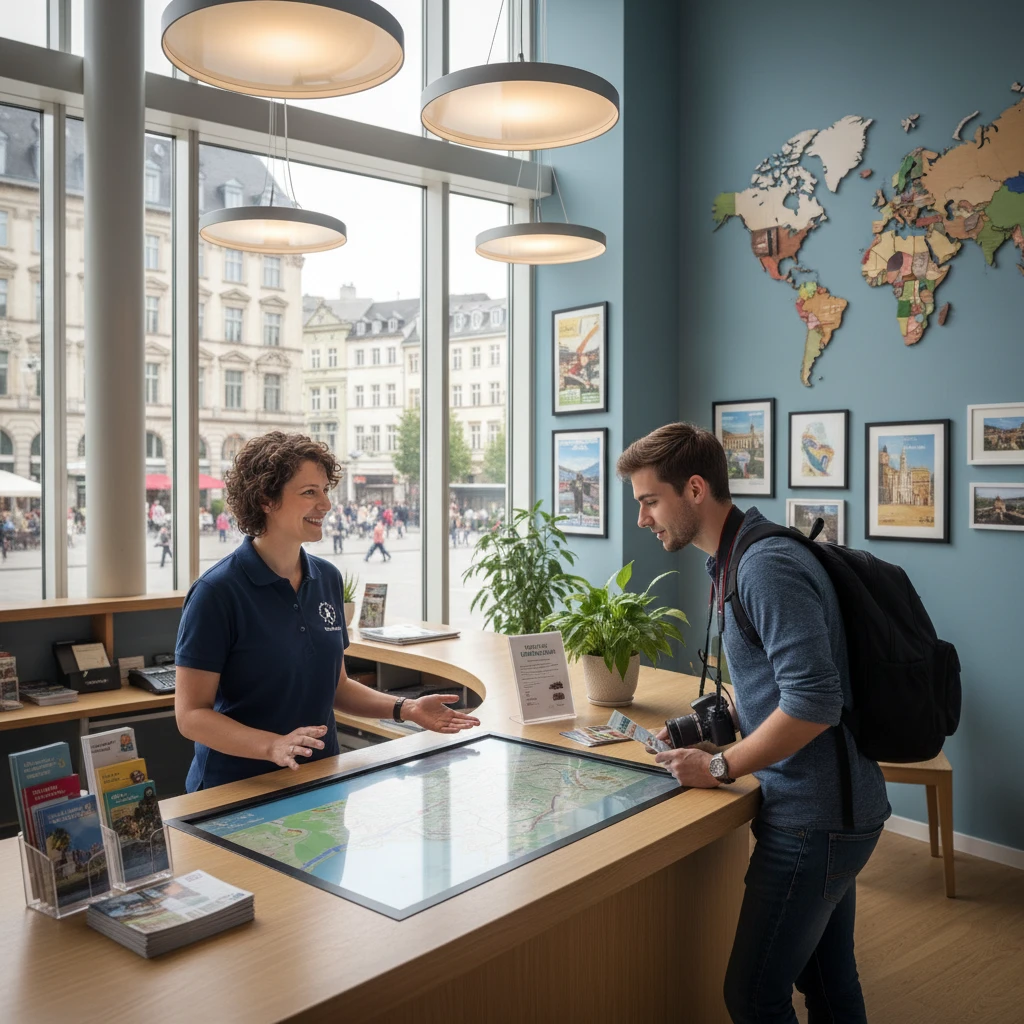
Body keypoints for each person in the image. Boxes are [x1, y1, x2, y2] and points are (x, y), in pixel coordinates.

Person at [616, 423, 889, 1024]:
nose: (642, 519)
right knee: (828, 981)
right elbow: (771, 690)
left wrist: (718, 766)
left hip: (815, 818)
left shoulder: (764, 567)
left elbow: (814, 702)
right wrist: (691, 731)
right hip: (832, 808)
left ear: (694, 489)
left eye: (649, 501)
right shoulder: (734, 557)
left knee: (753, 997)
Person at [174, 432, 479, 793]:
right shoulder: (216, 592)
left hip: (320, 777)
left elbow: (337, 688)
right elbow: (191, 715)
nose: (326, 504)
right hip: (237, 788)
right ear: (265, 499)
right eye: (309, 492)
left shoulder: (327, 578)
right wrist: (272, 746)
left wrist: (406, 708)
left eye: (324, 491)